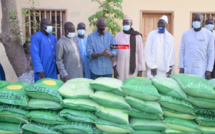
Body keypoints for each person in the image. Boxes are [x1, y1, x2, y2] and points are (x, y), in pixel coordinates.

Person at [179, 13, 214, 79]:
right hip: (187, 68)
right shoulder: (186, 34)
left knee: (199, 88)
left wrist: (209, 70)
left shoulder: (208, 35)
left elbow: (211, 53)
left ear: (202, 22)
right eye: (195, 20)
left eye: (198, 20)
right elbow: (182, 51)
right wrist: (181, 67)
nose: (196, 22)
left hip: (201, 70)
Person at [112, 15, 145, 81]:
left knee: (130, 85)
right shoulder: (118, 35)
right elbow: (114, 49)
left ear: (131, 24)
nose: (125, 24)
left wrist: (140, 70)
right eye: (123, 23)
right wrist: (114, 67)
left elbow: (141, 53)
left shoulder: (137, 36)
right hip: (120, 67)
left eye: (127, 23)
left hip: (132, 68)